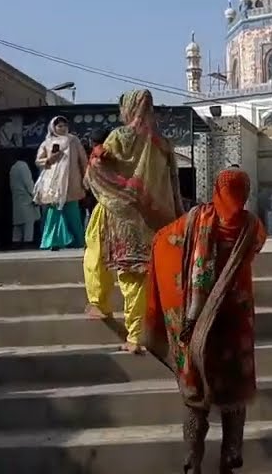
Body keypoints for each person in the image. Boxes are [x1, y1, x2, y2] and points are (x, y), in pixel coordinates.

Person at [145, 168, 268, 474]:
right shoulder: (252, 226)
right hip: (235, 320)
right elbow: (257, 247)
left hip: (195, 322)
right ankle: (231, 453)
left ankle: (192, 459)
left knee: (195, 393)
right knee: (234, 390)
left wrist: (188, 313)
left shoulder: (197, 221)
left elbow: (168, 242)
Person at [84, 89, 183, 353]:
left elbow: (96, 168)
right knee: (143, 275)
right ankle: (139, 335)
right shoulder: (162, 143)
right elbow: (173, 184)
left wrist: (99, 165)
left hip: (121, 216)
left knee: (113, 265)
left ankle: (104, 308)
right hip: (155, 219)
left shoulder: (119, 136)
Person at [34, 116, 87, 250]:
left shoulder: (73, 140)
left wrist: (85, 177)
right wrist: (50, 159)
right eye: (59, 126)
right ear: (53, 127)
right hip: (53, 183)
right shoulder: (47, 143)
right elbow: (38, 161)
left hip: (71, 181)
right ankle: (53, 242)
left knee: (72, 212)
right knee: (54, 213)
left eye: (64, 125)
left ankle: (76, 240)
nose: (62, 128)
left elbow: (83, 160)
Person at [8, 159, 38, 248]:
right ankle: (28, 243)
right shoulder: (23, 166)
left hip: (17, 199)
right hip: (26, 200)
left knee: (18, 225)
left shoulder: (13, 168)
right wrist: (35, 196)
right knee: (28, 224)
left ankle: (16, 243)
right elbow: (28, 182)